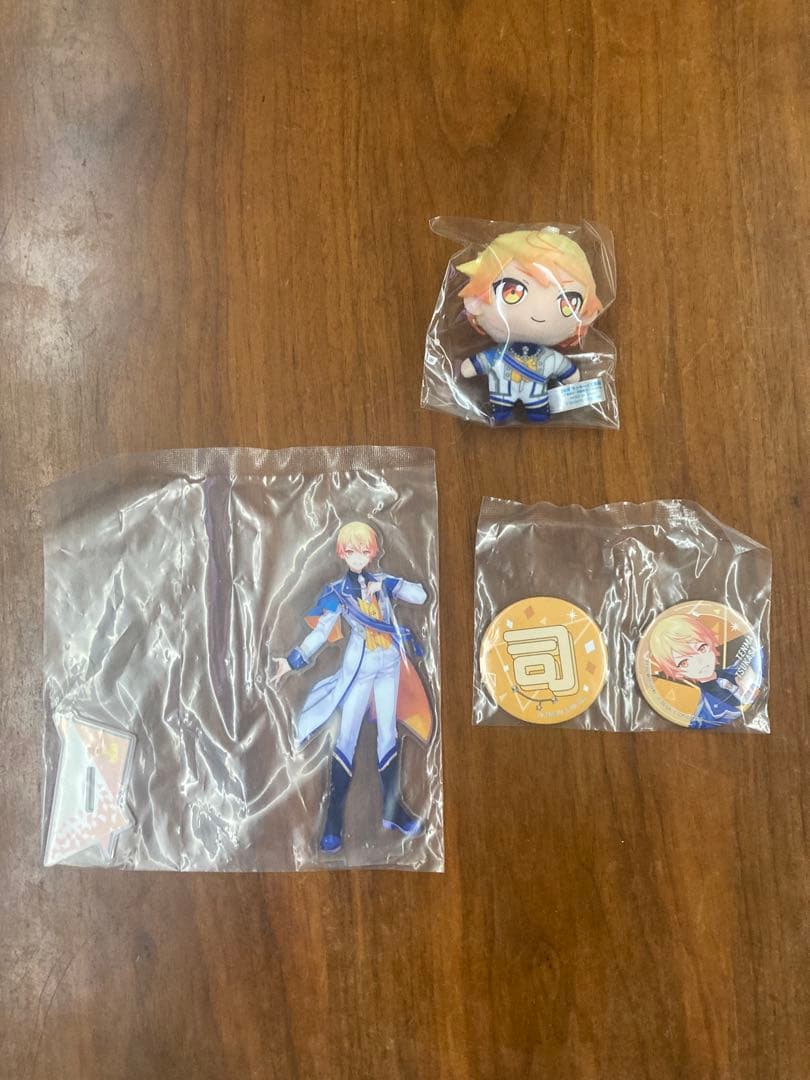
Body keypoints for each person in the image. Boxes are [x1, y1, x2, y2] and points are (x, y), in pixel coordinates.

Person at [272, 522, 432, 852]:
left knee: (388, 734)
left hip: (389, 666)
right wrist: (293, 660)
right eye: (350, 551)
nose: (357, 556)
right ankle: (332, 820)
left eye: (363, 550)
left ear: (372, 552)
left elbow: (421, 595)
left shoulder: (382, 582)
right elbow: (321, 632)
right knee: (346, 736)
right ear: (342, 554)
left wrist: (387, 584)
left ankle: (394, 811)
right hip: (359, 671)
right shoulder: (337, 592)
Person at [456, 227, 602, 423]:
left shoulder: (533, 356)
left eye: (567, 303)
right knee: (503, 405)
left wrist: (570, 374)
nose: (538, 314)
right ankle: (504, 409)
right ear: (476, 302)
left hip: (535, 395)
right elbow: (480, 362)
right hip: (503, 393)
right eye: (512, 292)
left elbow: (563, 368)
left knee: (536, 407)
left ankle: (536, 410)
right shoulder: (504, 354)